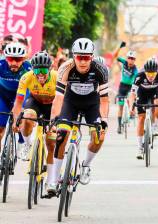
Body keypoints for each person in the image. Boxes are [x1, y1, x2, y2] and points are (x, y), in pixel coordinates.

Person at [47, 38, 109, 195]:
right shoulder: (65, 68)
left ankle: (86, 165)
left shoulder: (101, 69)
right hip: (71, 102)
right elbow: (59, 98)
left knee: (98, 136)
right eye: (79, 57)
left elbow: (104, 100)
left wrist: (104, 120)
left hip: (91, 104)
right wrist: (55, 118)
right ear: (73, 56)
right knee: (61, 135)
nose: (82, 61)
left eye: (86, 57)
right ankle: (53, 180)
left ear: (92, 57)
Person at [11, 52, 56, 187]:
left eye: (43, 70)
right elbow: (18, 103)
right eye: (37, 70)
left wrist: (56, 121)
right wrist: (15, 121)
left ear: (50, 69)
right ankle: (27, 144)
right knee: (27, 117)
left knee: (51, 143)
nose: (40, 74)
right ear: (32, 70)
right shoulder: (26, 77)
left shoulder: (57, 77)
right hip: (35, 102)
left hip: (52, 106)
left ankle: (51, 179)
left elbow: (63, 102)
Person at [129, 58, 158, 159]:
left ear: (156, 72)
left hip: (155, 92)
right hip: (142, 93)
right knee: (141, 118)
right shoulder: (139, 76)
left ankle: (155, 125)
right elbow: (132, 94)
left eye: (153, 74)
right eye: (148, 74)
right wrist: (131, 107)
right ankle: (139, 147)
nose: (151, 76)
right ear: (145, 72)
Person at [0, 42, 31, 153]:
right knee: (0, 128)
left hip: (22, 96)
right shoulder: (1, 64)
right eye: (10, 59)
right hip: (3, 97)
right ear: (5, 57)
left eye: (18, 60)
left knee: (21, 120)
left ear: (23, 59)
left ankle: (23, 142)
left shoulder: (29, 67)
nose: (14, 63)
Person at [113, 42, 139, 134]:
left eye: (132, 59)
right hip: (122, 86)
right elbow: (115, 56)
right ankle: (119, 126)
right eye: (129, 58)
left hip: (130, 87)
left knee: (131, 98)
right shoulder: (124, 62)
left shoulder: (135, 69)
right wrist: (119, 47)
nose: (130, 60)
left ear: (134, 60)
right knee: (120, 106)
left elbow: (137, 81)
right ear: (127, 59)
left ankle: (131, 111)